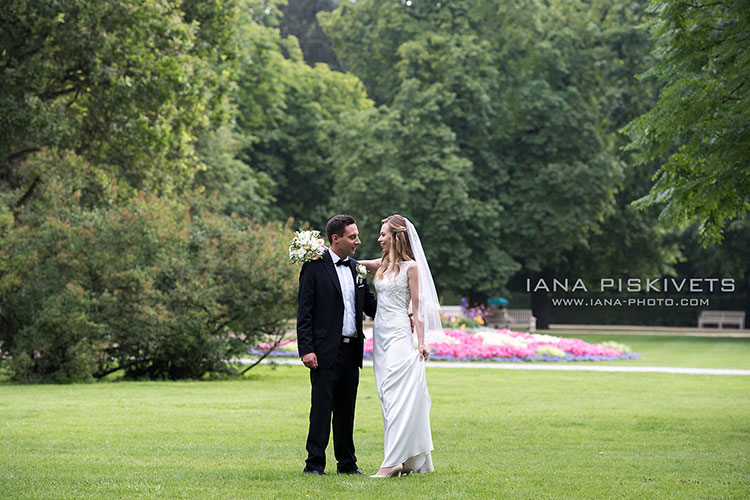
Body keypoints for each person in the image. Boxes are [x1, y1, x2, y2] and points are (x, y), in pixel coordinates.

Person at [360, 214, 443, 478]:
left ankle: (392, 461)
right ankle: (407, 459)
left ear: (396, 236)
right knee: (386, 397)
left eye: (383, 234)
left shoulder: (411, 268)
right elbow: (358, 264)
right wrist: (319, 254)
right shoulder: (383, 264)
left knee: (397, 395)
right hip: (380, 337)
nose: (379, 238)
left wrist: (421, 342)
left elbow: (417, 309)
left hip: (399, 336)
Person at [296, 214, 378, 476]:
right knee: (320, 409)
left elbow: (371, 307)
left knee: (346, 411)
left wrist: (402, 304)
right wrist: (306, 349)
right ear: (336, 238)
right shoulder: (313, 267)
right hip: (322, 352)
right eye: (352, 236)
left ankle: (347, 464)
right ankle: (314, 465)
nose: (358, 241)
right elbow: (304, 312)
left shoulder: (357, 268)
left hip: (351, 350)